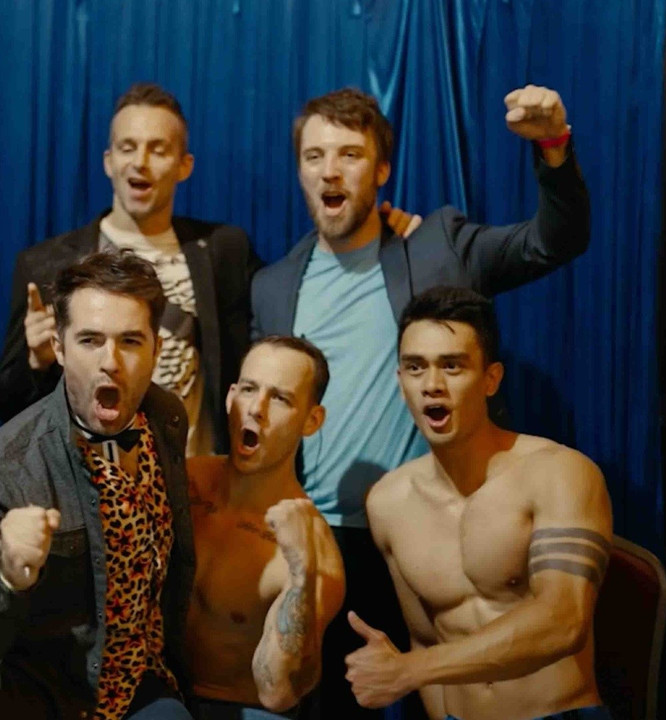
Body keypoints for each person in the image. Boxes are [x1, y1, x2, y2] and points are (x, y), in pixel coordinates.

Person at [250, 85, 591, 718]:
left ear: (381, 170)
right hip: (319, 540)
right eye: (314, 156)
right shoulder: (271, 286)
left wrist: (553, 146)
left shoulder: (436, 248)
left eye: (349, 154)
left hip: (417, 536)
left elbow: (555, 240)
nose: (330, 170)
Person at [0, 252, 197, 719]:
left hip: (135, 685)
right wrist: (9, 577)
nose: (110, 363)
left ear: (156, 350)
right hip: (37, 699)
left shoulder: (167, 419)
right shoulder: (2, 471)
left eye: (130, 341)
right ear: (59, 349)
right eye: (90, 340)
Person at [353, 286, 612, 720]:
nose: (432, 386)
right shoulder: (388, 503)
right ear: (400, 383)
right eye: (415, 368)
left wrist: (409, 671)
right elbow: (425, 638)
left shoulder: (560, 472)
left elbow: (564, 620)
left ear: (491, 379)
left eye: (452, 366)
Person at [0, 82, 260, 456]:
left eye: (158, 149)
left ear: (184, 166)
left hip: (190, 477)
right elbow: (7, 406)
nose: (140, 162)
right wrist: (38, 363)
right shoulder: (46, 264)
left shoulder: (223, 250)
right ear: (108, 161)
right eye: (127, 147)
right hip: (88, 479)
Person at [184, 337, 345, 719]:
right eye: (248, 389)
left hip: (240, 709)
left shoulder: (313, 552)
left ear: (312, 420)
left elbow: (278, 694)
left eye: (280, 398)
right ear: (230, 397)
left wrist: (301, 573)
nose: (256, 409)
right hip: (153, 697)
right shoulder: (184, 483)